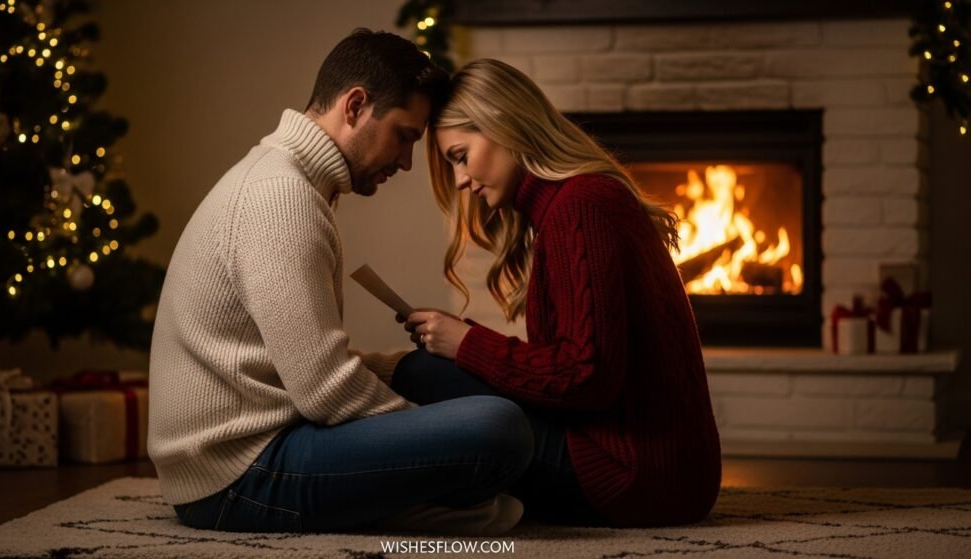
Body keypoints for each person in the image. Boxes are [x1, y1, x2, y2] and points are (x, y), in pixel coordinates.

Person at [148, 32, 533, 535]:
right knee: (495, 429)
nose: (407, 162)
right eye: (404, 136)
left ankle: (422, 503)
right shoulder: (280, 197)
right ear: (355, 106)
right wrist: (427, 437)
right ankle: (436, 506)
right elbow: (325, 391)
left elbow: (291, 366)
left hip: (270, 435)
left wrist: (408, 373)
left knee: (436, 373)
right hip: (236, 477)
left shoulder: (294, 182)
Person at [395, 58, 722, 528]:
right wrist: (466, 344)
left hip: (634, 477)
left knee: (421, 375)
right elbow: (583, 361)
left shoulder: (580, 207)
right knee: (441, 368)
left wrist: (467, 346)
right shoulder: (575, 201)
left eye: (461, 156)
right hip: (668, 476)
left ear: (503, 123)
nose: (462, 182)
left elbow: (586, 376)